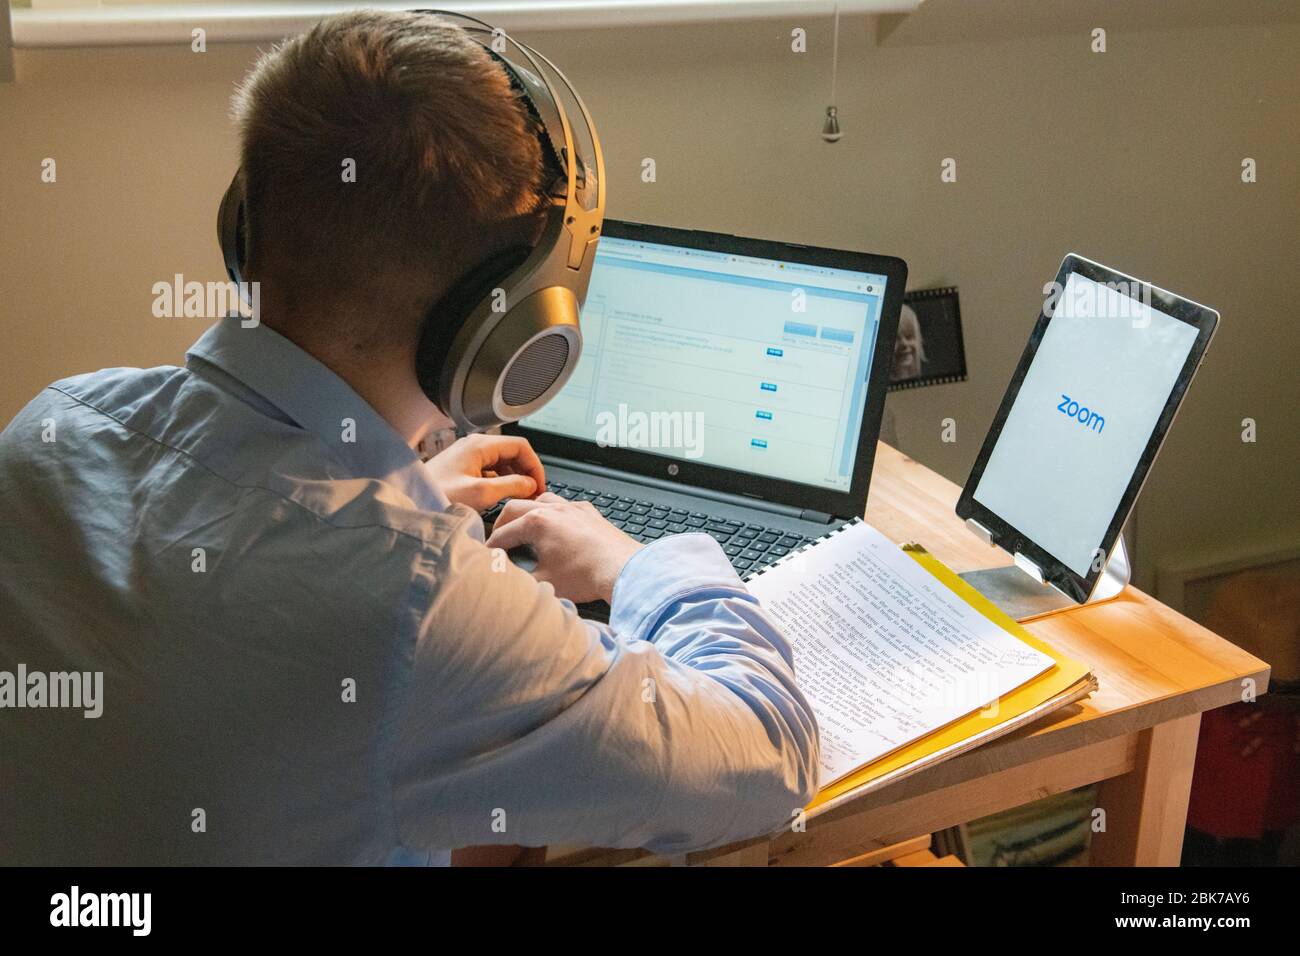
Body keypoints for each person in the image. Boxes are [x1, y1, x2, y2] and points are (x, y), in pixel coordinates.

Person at [0, 10, 818, 865]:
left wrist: (396, 499)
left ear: (245, 225)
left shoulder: (50, 428)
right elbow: (768, 753)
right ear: (513, 325)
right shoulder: (417, 602)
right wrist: (633, 562)